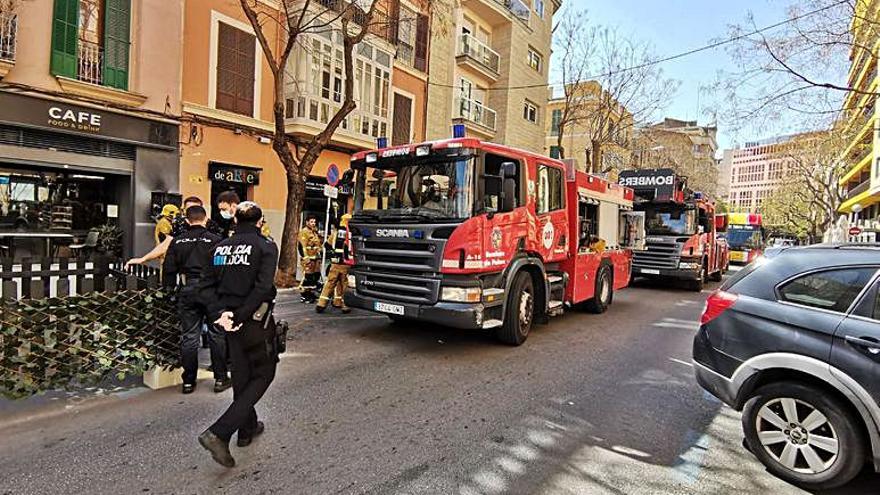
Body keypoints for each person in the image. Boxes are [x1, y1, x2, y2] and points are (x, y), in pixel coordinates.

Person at [197, 201, 279, 468]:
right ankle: (219, 432)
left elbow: (206, 287)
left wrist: (221, 314)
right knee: (264, 374)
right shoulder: (265, 246)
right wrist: (241, 315)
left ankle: (247, 429)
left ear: (235, 222)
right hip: (254, 322)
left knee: (242, 376)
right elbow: (263, 287)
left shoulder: (217, 247)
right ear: (260, 221)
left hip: (227, 323)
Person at [162, 205, 230, 394]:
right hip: (212, 291)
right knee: (217, 335)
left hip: (188, 289)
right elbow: (222, 269)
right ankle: (220, 378)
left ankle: (188, 382)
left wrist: (169, 291)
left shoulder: (177, 242)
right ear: (206, 219)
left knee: (190, 336)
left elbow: (168, 270)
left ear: (187, 220)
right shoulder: (216, 241)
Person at [127, 196, 226, 268]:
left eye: (196, 209)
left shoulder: (212, 226)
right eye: (189, 210)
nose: (192, 212)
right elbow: (165, 245)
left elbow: (220, 250)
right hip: (183, 272)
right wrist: (143, 259)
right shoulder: (179, 225)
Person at [316, 214, 351, 313]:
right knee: (344, 284)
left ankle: (321, 303)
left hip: (335, 263)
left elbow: (327, 244)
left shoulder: (335, 232)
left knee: (330, 283)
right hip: (345, 263)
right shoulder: (349, 233)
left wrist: (333, 254)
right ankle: (343, 304)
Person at [297, 215, 322, 304]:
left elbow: (317, 245)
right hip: (308, 260)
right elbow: (301, 246)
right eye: (311, 222)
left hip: (315, 259)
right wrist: (305, 257)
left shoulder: (314, 232)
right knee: (308, 278)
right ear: (307, 222)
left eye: (314, 222)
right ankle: (304, 295)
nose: (313, 224)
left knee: (315, 277)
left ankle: (310, 293)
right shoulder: (304, 232)